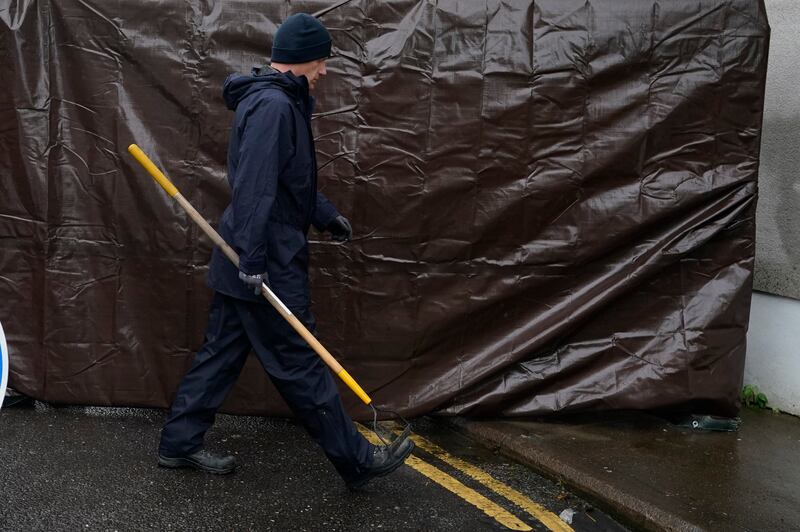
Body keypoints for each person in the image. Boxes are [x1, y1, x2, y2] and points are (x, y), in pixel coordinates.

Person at [156, 12, 413, 490]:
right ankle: (355, 460)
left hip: (249, 257)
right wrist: (254, 260)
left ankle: (179, 442)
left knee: (219, 355)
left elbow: (287, 178)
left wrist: (324, 214)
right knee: (300, 363)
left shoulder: (281, 101)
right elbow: (255, 188)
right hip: (264, 263)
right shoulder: (274, 107)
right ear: (302, 60)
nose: (326, 71)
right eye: (322, 61)